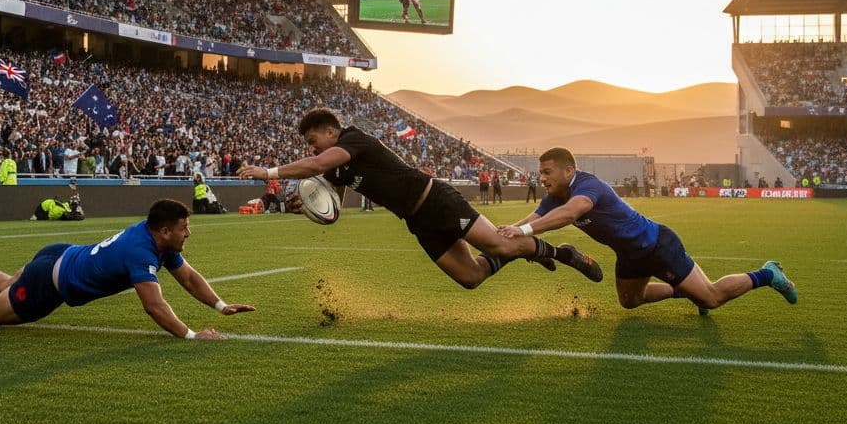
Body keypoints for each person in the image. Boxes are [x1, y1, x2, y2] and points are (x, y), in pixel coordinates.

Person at [239, 108, 601, 290]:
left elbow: (317, 163)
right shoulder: (334, 167)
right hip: (418, 221)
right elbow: (333, 207)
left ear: (331, 131)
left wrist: (268, 173)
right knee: (471, 277)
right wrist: (313, 207)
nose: (311, 145)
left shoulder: (354, 139)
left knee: (503, 246)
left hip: (436, 201)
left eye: (313, 138)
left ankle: (560, 253)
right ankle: (527, 252)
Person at [0, 199, 255, 340]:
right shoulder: (142, 252)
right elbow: (154, 305)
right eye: (183, 228)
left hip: (59, 254)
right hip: (52, 281)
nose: (188, 234)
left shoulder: (156, 240)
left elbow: (189, 277)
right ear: (164, 231)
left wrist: (221, 306)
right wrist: (192, 336)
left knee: (7, 283)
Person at [496, 147, 798, 314]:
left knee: (711, 298)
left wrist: (522, 230)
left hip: (657, 245)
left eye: (548, 172)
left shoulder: (589, 186)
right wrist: (511, 231)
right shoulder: (553, 197)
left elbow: (570, 214)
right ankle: (683, 290)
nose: (543, 178)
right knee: (630, 302)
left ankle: (768, 274)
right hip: (630, 255)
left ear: (568, 171)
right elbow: (534, 218)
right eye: (541, 173)